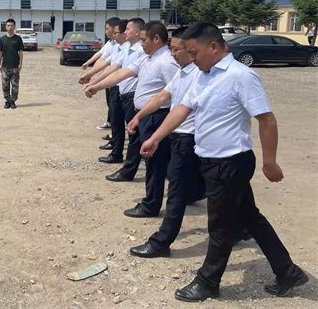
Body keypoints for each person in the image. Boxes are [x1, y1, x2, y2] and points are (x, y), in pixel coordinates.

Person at [140, 22, 308, 302]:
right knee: (250, 218)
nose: (191, 58)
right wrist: (156, 137)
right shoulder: (201, 76)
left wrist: (270, 162)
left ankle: (208, 281)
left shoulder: (241, 76)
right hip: (210, 161)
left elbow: (266, 119)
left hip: (230, 163)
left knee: (220, 226)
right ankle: (287, 271)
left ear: (214, 46)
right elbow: (182, 109)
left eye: (194, 52)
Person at [127, 27, 205, 257]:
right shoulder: (182, 72)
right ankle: (241, 227)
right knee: (221, 189)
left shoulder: (200, 75)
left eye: (176, 49)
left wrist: (154, 137)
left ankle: (161, 242)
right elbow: (162, 96)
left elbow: (183, 111)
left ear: (191, 49)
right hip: (179, 137)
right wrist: (139, 117)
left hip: (190, 139)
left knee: (176, 193)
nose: (172, 53)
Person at [87, 21, 178, 218]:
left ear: (156, 38)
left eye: (144, 40)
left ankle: (151, 205)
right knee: (157, 162)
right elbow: (122, 73)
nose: (141, 44)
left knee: (155, 164)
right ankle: (191, 192)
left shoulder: (167, 62)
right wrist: (97, 86)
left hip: (158, 117)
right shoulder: (147, 58)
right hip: (145, 115)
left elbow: (174, 95)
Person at [87, 18, 145, 174]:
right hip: (122, 93)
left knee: (134, 134)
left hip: (133, 96)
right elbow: (114, 67)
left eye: (127, 30)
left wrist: (94, 83)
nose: (124, 33)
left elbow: (120, 72)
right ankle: (120, 155)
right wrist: (94, 82)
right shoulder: (127, 49)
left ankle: (129, 167)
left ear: (137, 32)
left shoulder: (141, 51)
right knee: (122, 125)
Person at [78, 18, 121, 132]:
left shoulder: (123, 47)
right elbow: (103, 59)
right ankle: (112, 129)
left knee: (117, 110)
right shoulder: (111, 43)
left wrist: (94, 81)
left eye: (108, 29)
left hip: (118, 82)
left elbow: (112, 67)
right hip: (110, 80)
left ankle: (115, 134)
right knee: (112, 106)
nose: (106, 32)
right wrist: (90, 73)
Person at [0, 18, 24, 109]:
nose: (10, 27)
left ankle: (13, 101)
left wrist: (20, 64)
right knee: (5, 85)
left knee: (15, 85)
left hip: (15, 66)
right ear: (6, 27)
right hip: (5, 66)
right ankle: (7, 101)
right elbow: (0, 53)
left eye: (12, 25)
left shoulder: (18, 39)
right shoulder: (2, 39)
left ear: (14, 27)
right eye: (8, 25)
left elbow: (20, 52)